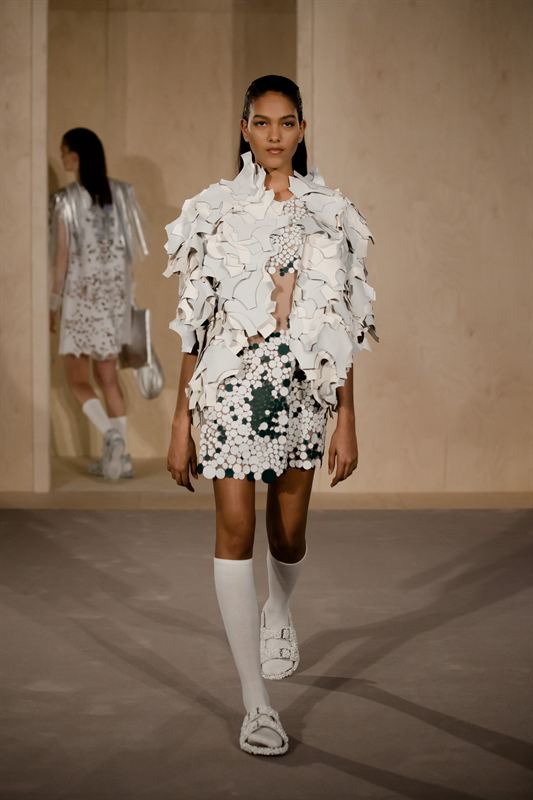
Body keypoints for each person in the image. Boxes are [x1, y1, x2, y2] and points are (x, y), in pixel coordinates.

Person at [165, 75, 377, 756]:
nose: (275, 135)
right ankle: (256, 704)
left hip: (302, 391)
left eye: (287, 123)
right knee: (234, 530)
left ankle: (278, 608)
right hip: (230, 387)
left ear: (302, 129)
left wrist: (346, 417)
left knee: (287, 536)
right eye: (262, 123)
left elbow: (342, 323)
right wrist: (180, 423)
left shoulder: (330, 212)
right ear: (244, 129)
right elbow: (195, 322)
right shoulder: (213, 210)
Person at [49, 127, 148, 479]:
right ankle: (120, 460)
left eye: (63, 151)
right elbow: (132, 254)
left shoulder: (65, 200)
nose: (62, 158)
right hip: (113, 301)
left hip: (80, 299)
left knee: (77, 380)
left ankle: (110, 437)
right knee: (108, 379)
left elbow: (61, 258)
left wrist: (52, 304)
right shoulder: (121, 194)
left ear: (75, 156)